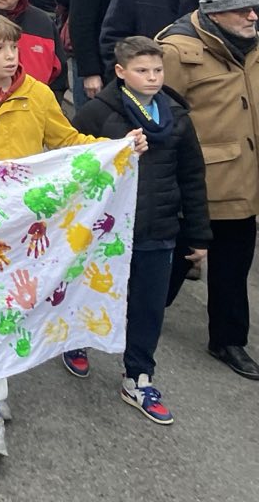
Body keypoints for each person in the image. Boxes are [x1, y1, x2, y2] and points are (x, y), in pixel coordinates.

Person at [0, 9, 146, 460]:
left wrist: (117, 148)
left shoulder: (38, 94)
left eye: (12, 47)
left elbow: (67, 141)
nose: (8, 56)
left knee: (10, 307)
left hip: (26, 226)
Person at [67, 35, 210, 422]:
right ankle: (76, 340)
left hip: (158, 228)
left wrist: (197, 235)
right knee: (93, 290)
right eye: (142, 71)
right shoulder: (99, 114)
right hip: (106, 230)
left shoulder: (176, 117)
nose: (152, 78)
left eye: (158, 70)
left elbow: (192, 177)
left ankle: (139, 375)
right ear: (120, 72)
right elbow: (72, 161)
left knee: (148, 307)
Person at [158, 0, 259, 380]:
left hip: (243, 177)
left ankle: (228, 339)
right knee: (177, 258)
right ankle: (137, 311)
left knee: (234, 264)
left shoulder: (253, 46)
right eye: (243, 10)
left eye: (254, 7)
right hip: (197, 181)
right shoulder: (175, 50)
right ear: (215, 14)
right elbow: (158, 115)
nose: (253, 16)